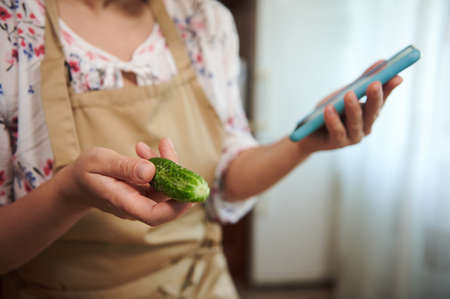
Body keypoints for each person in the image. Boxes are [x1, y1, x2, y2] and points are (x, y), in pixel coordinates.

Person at [0, 0, 403, 297]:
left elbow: (227, 176)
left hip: (199, 282)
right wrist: (68, 193)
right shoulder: (13, 25)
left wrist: (305, 143)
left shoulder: (205, 20)